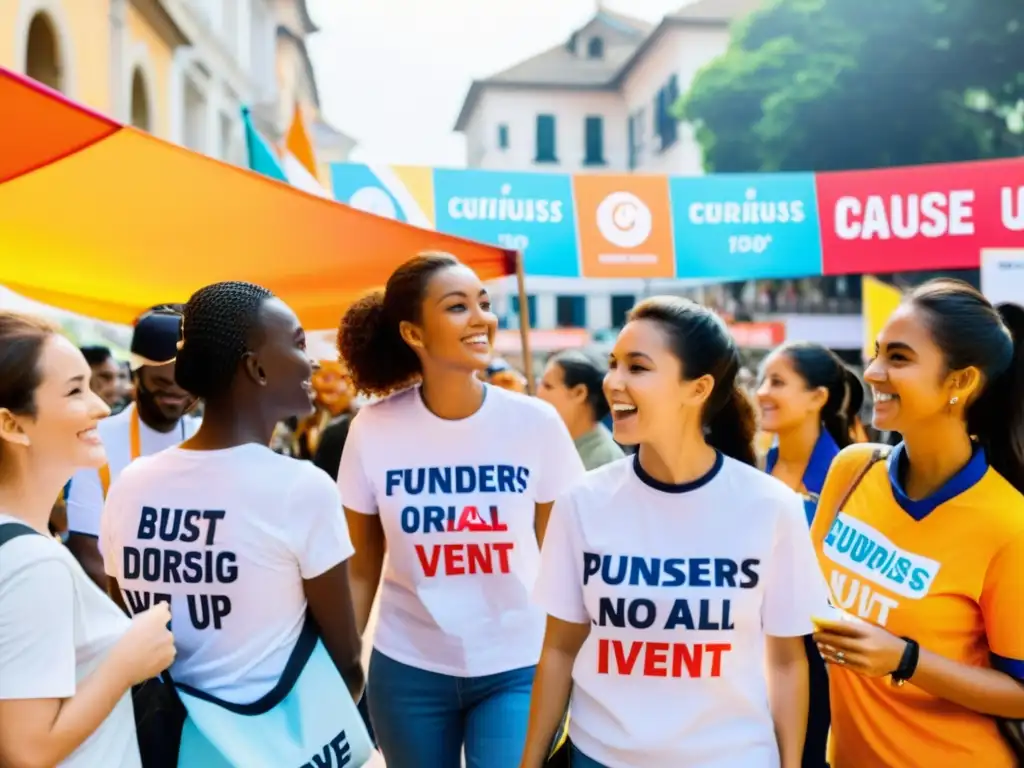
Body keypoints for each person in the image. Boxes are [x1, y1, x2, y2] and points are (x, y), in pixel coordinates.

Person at [521, 297, 828, 768]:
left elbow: (787, 661)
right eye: (613, 365)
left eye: (637, 368)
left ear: (698, 388)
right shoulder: (580, 502)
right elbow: (559, 649)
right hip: (600, 756)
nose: (613, 383)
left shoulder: (771, 507)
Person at [337, 252, 585, 768]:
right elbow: (361, 566)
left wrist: (578, 658)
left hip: (517, 663)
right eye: (457, 306)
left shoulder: (535, 423)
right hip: (407, 667)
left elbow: (567, 559)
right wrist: (339, 661)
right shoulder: (372, 429)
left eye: (484, 304)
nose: (481, 318)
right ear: (414, 333)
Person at [101, 281, 363, 705]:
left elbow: (127, 622)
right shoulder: (302, 488)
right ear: (256, 368)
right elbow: (346, 659)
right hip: (269, 740)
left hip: (161, 738)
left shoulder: (130, 483)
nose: (311, 363)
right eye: (298, 345)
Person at [810, 279, 1024, 768]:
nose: (872, 372)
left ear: (961, 381)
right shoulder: (852, 469)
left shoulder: (1010, 524)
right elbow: (800, 602)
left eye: (899, 358)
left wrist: (906, 660)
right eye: (876, 353)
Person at [0, 312, 175, 768]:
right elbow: (26, 750)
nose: (101, 406)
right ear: (13, 425)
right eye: (76, 391)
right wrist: (129, 658)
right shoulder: (36, 564)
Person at [756, 341, 865, 768]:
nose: (763, 391)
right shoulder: (758, 465)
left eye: (778, 382)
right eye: (763, 380)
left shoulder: (850, 478)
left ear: (818, 397)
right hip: (760, 650)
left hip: (821, 661)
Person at [65, 308, 199, 587]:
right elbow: (88, 549)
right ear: (136, 376)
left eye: (184, 385)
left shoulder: (207, 438)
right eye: (161, 384)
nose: (174, 397)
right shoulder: (97, 439)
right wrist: (141, 620)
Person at [538, 350, 624, 471]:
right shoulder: (556, 441)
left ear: (579, 393)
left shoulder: (605, 461)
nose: (539, 393)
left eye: (547, 386)